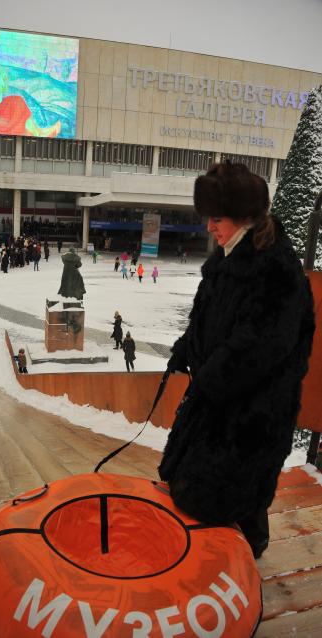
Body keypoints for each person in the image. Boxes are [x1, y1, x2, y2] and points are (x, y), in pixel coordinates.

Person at [158, 162, 315, 560]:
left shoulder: (275, 269)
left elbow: (257, 345)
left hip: (252, 411)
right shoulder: (228, 258)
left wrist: (208, 380)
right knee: (208, 491)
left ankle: (242, 554)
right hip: (220, 401)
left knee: (218, 494)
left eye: (216, 219)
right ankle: (243, 542)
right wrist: (185, 347)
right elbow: (206, 319)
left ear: (244, 217)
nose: (209, 227)